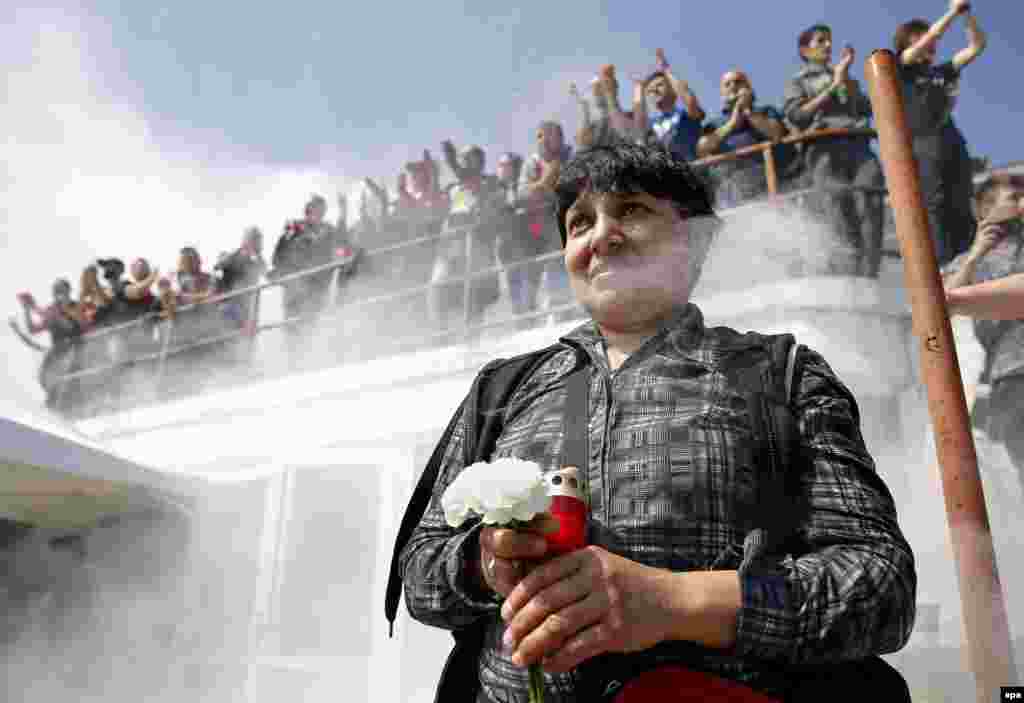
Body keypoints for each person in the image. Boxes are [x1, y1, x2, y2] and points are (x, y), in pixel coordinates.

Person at [399, 142, 916, 702]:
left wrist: (674, 602)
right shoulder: (503, 388)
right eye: (579, 223)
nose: (601, 235)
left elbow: (880, 586)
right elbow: (420, 573)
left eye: (632, 210)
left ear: (697, 239)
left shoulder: (783, 374)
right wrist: (484, 563)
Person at [784, 26, 886, 277]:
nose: (828, 45)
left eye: (829, 41)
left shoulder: (846, 77)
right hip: (823, 149)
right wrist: (833, 85)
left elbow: (866, 109)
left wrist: (846, 80)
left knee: (872, 200)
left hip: (858, 147)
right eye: (820, 41)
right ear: (805, 50)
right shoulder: (798, 81)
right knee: (839, 204)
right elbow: (796, 115)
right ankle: (848, 271)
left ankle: (870, 271)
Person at [942, 173, 1024, 483]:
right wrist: (977, 253)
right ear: (984, 210)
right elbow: (937, 307)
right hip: (1012, 377)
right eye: (1014, 199)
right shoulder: (973, 260)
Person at [895, 0, 988, 266]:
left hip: (950, 136)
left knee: (961, 196)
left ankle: (966, 261)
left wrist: (967, 15)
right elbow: (931, 38)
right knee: (934, 201)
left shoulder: (942, 71)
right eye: (919, 37)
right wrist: (952, 11)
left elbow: (976, 46)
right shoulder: (902, 65)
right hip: (923, 139)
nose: (930, 42)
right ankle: (941, 264)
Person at [698, 70, 788, 207]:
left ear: (749, 88)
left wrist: (748, 111)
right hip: (732, 199)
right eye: (727, 84)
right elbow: (702, 149)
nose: (733, 86)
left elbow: (775, 133)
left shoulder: (766, 111)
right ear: (722, 93)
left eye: (738, 82)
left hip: (770, 191)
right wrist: (732, 123)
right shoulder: (713, 124)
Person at [16, 279, 86, 408]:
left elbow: (71, 325)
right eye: (56, 291)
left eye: (62, 291)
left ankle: (73, 401)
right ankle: (54, 403)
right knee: (44, 376)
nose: (59, 294)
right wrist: (27, 309)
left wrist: (35, 307)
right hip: (58, 352)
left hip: (75, 350)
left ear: (68, 291)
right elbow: (33, 329)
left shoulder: (77, 307)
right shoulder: (51, 310)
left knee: (70, 376)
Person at [636, 49, 706, 161]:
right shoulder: (650, 123)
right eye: (649, 91)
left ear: (674, 90)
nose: (654, 90)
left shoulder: (686, 114)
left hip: (691, 172)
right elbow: (638, 125)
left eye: (659, 85)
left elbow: (689, 100)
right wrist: (638, 87)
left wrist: (666, 70)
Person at [214, 227, 267, 332]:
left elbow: (265, 271)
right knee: (235, 336)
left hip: (249, 306)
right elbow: (217, 268)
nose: (258, 243)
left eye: (259, 240)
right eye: (255, 239)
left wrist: (257, 255)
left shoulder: (256, 259)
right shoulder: (234, 256)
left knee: (248, 336)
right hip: (232, 306)